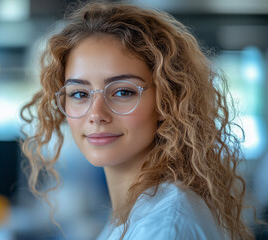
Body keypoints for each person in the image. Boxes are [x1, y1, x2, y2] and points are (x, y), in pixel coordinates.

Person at [20, 1, 254, 239]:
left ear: (167, 100)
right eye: (80, 94)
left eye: (123, 92)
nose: (96, 114)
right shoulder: (137, 212)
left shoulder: (164, 228)